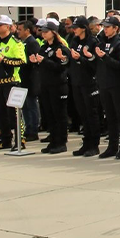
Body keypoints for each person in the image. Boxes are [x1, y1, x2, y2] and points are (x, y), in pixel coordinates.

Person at [94, 15, 120, 160]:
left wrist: (105, 57)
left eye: (108, 27)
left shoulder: (119, 44)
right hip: (105, 84)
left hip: (118, 85)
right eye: (104, 27)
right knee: (110, 117)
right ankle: (112, 146)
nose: (105, 29)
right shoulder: (102, 42)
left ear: (116, 28)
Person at [0, 15, 26, 150]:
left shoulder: (15, 43)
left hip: (11, 82)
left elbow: (21, 61)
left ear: (8, 27)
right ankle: (6, 139)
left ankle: (20, 141)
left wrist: (5, 60)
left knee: (14, 114)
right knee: (0, 112)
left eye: (0, 25)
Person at [65, 17, 102, 157]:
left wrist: (81, 58)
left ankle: (94, 145)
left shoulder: (93, 42)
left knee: (91, 114)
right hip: (77, 81)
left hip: (89, 82)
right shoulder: (74, 41)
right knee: (83, 114)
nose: (74, 30)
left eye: (76, 28)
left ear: (84, 28)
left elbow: (95, 65)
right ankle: (86, 142)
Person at [33, 20, 70, 154]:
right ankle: (53, 140)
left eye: (46, 31)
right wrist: (36, 62)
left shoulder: (60, 47)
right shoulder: (43, 47)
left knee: (59, 114)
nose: (43, 34)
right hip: (46, 84)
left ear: (53, 33)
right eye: (42, 31)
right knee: (49, 114)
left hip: (58, 85)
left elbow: (61, 67)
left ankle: (61, 142)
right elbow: (42, 66)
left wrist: (44, 61)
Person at [16, 20, 42, 144]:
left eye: (20, 29)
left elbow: (36, 61)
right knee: (25, 105)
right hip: (23, 78)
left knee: (31, 105)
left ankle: (33, 129)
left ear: (27, 30)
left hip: (31, 78)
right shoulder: (22, 42)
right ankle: (28, 128)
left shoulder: (32, 43)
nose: (18, 32)